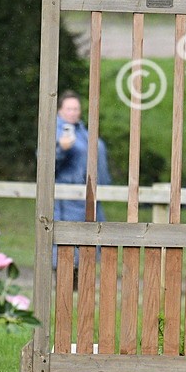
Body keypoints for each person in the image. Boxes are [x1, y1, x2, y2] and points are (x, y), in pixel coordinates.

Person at [53, 90, 111, 268]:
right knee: (68, 246)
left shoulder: (83, 131)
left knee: (90, 243)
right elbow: (46, 162)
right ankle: (66, 289)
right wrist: (60, 148)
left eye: (76, 108)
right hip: (68, 198)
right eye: (69, 108)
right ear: (59, 110)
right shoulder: (55, 131)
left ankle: (80, 289)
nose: (73, 112)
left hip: (90, 197)